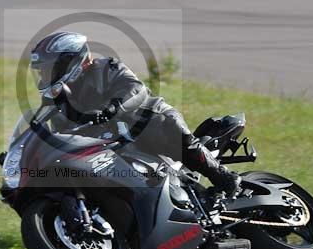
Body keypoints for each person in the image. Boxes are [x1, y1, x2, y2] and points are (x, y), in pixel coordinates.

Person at [29, 31, 241, 201]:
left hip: (144, 123)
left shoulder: (106, 68)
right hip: (113, 146)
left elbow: (135, 89)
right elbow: (56, 132)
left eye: (49, 70)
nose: (44, 77)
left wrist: (113, 108)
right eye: (42, 72)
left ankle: (223, 177)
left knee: (169, 125)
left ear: (71, 62)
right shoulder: (59, 100)